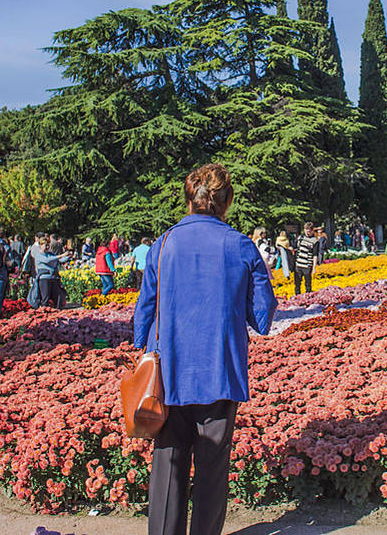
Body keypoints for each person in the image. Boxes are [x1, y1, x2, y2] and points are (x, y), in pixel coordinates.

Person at [133, 163, 276, 535]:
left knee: (167, 466)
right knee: (212, 472)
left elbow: (144, 310)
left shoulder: (162, 244)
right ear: (226, 201)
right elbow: (262, 316)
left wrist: (140, 346)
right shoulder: (240, 244)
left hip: (169, 371)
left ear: (189, 199)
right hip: (219, 370)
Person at [32, 236, 69, 308]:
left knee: (57, 296)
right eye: (45, 245)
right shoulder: (39, 255)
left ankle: (56, 313)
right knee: (45, 298)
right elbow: (47, 260)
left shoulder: (50, 254)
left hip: (53, 278)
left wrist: (68, 256)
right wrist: (61, 255)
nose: (47, 247)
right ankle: (44, 313)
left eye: (48, 245)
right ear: (40, 245)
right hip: (44, 279)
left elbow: (59, 260)